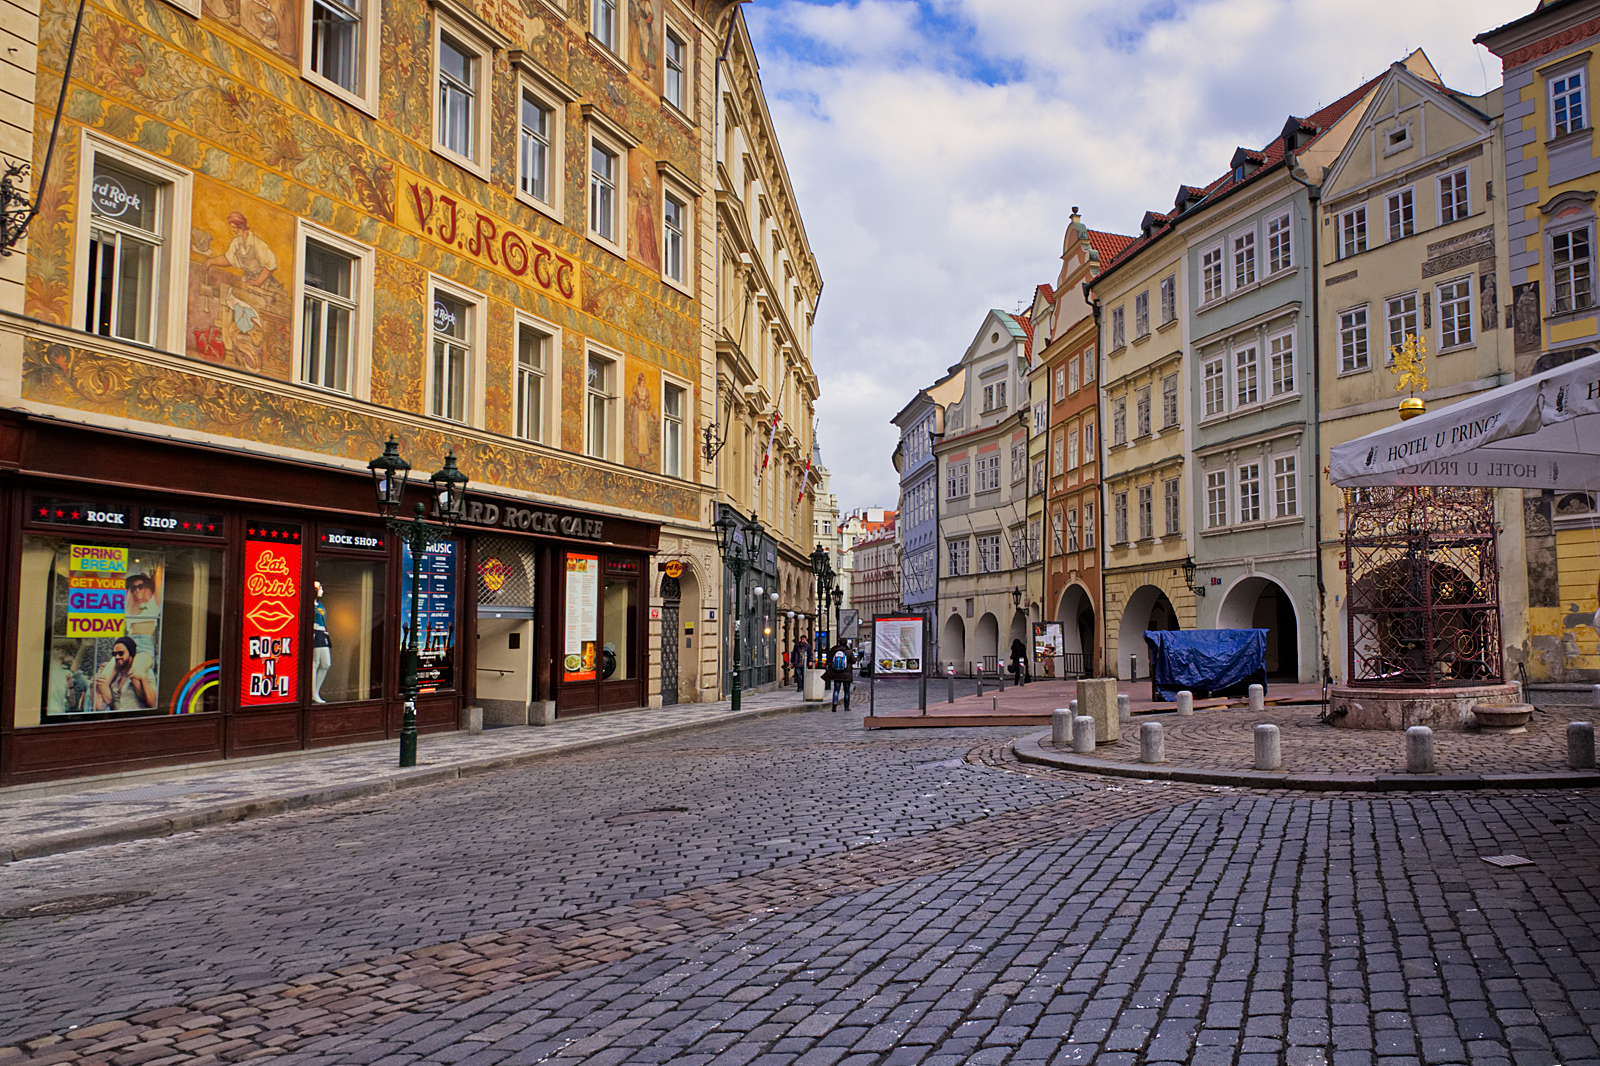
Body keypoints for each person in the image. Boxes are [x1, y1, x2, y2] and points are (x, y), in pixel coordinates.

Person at [94, 636, 156, 711]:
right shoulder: (114, 676)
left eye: (121, 653)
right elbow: (101, 707)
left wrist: (144, 678)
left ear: (131, 653)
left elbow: (152, 703)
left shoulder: (145, 673)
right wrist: (95, 687)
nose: (117, 657)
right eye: (114, 654)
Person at [826, 641, 856, 712]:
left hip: (837, 673)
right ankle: (846, 707)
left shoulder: (834, 651)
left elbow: (829, 659)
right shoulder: (848, 652)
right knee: (847, 691)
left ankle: (835, 702)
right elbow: (853, 661)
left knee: (836, 689)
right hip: (846, 674)